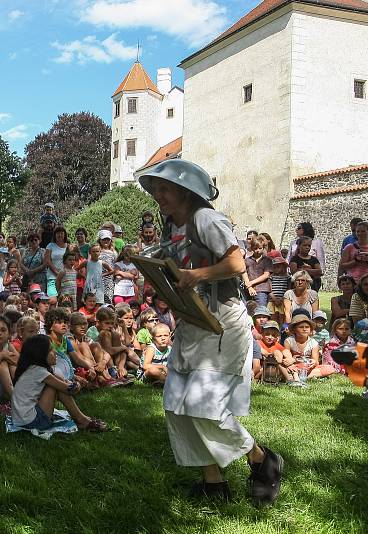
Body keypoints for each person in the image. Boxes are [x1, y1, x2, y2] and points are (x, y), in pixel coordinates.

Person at [135, 159, 283, 505]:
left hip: (223, 324)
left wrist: (197, 277)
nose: (158, 195)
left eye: (165, 188)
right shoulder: (175, 226)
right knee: (175, 404)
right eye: (156, 189)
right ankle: (213, 482)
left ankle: (262, 460)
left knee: (204, 406)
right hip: (193, 321)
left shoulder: (206, 218)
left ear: (187, 191)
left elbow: (236, 264)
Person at [44, 226, 69, 298]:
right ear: (54, 235)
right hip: (52, 276)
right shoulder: (50, 245)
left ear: (65, 235)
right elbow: (47, 261)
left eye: (62, 233)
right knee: (52, 298)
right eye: (58, 233)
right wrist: (57, 272)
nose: (60, 235)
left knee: (64, 299)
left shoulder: (68, 246)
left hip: (65, 277)